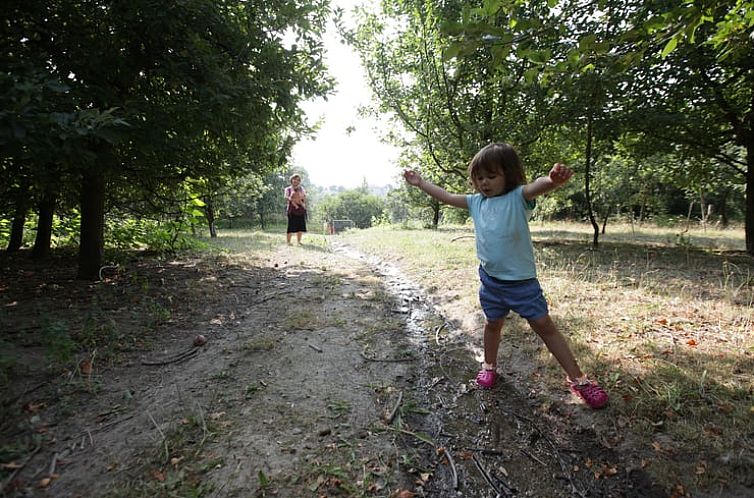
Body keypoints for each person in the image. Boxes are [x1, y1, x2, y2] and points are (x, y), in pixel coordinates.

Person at [403, 143, 608, 409]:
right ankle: (489, 366)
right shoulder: (475, 202)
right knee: (492, 324)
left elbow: (538, 186)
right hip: (490, 282)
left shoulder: (518, 197)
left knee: (545, 327)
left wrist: (552, 181)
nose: (484, 183)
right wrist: (421, 183)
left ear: (508, 175)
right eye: (479, 178)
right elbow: (446, 196)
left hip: (522, 284)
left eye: (491, 176)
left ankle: (579, 380)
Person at [284, 174, 307, 244]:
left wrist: (300, 198)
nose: (296, 181)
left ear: (299, 181)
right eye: (294, 179)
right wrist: (291, 198)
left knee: (300, 226)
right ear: (291, 180)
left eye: (298, 180)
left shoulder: (302, 188)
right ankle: (288, 242)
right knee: (290, 226)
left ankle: (299, 241)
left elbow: (304, 197)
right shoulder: (288, 189)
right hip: (291, 210)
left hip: (300, 209)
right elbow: (286, 197)